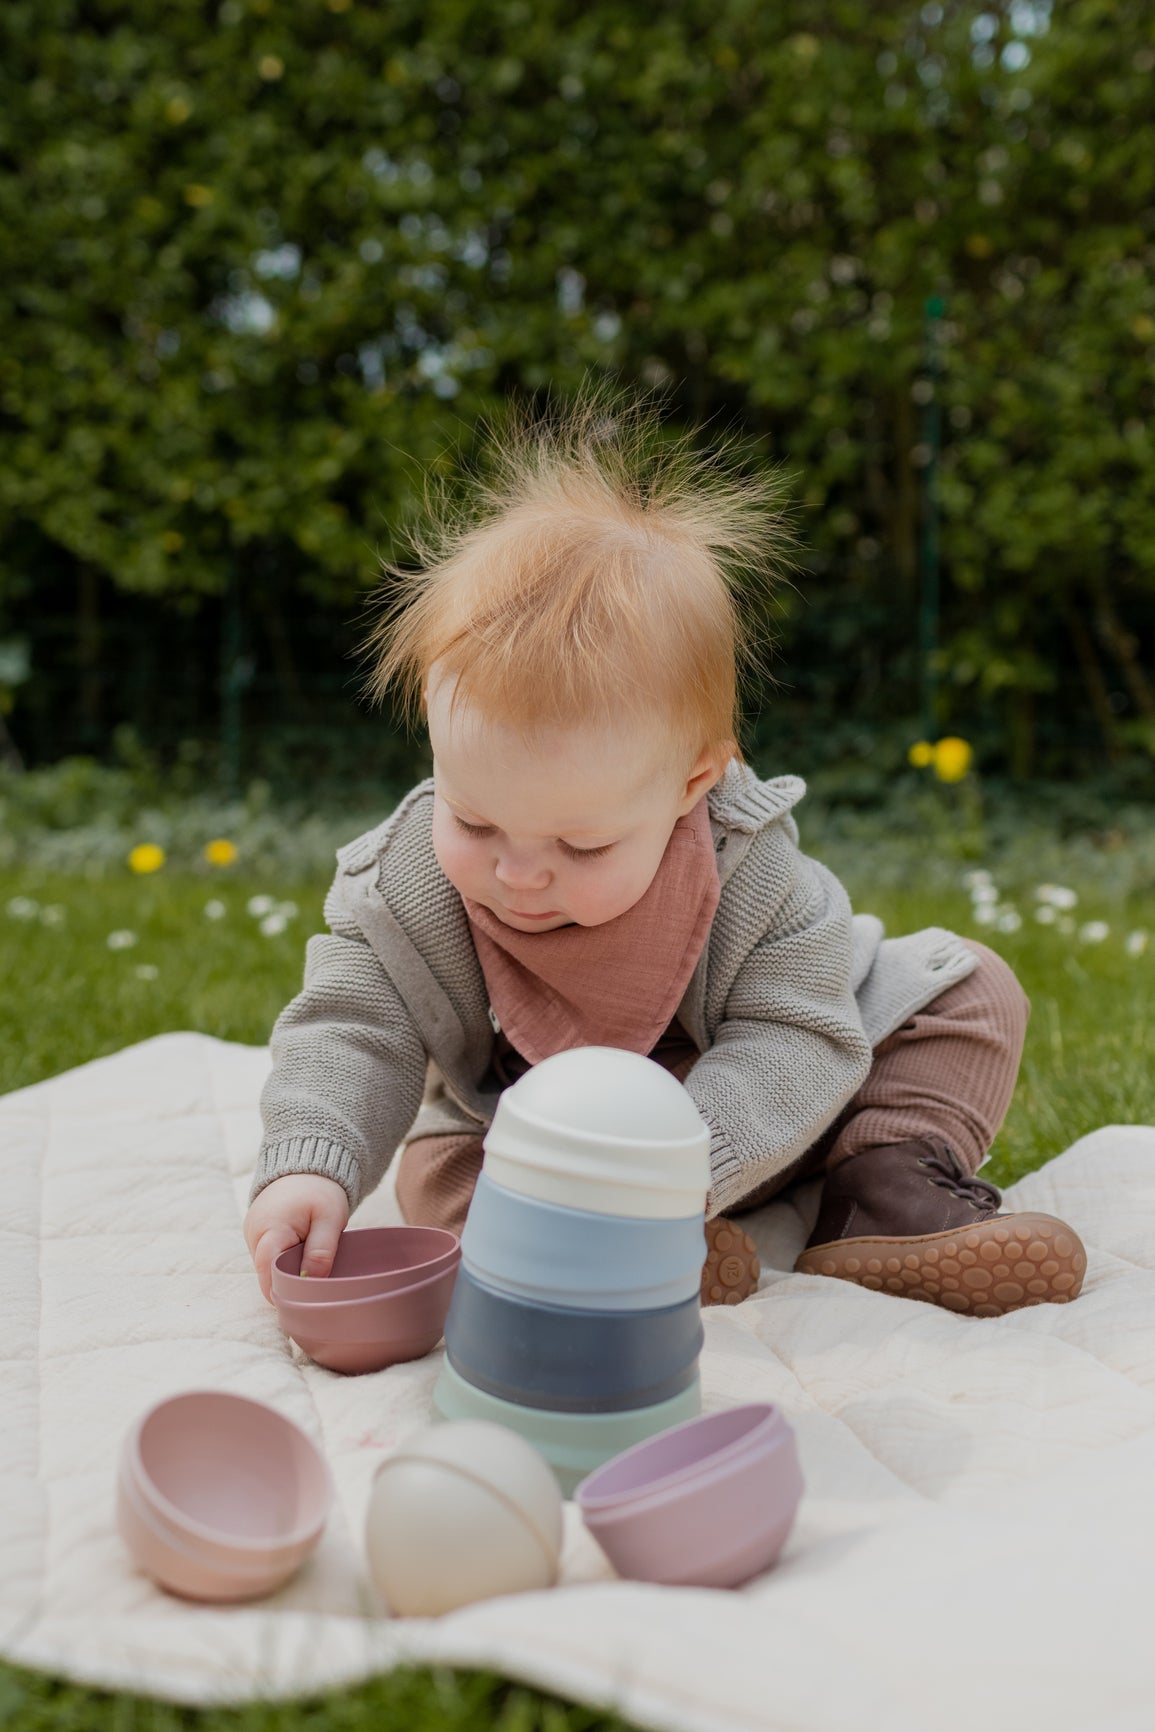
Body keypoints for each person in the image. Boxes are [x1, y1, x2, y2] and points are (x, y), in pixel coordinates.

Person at [243, 390, 1087, 1315]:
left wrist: (658, 1185)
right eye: (475, 821)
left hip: (760, 1127)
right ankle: (554, 1250)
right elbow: (350, 1031)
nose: (518, 872)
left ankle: (878, 1191)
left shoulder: (751, 875)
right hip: (536, 1157)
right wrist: (308, 1166)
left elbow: (798, 1041)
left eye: (582, 841)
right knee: (443, 1170)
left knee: (969, 987)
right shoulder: (402, 886)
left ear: (692, 786)